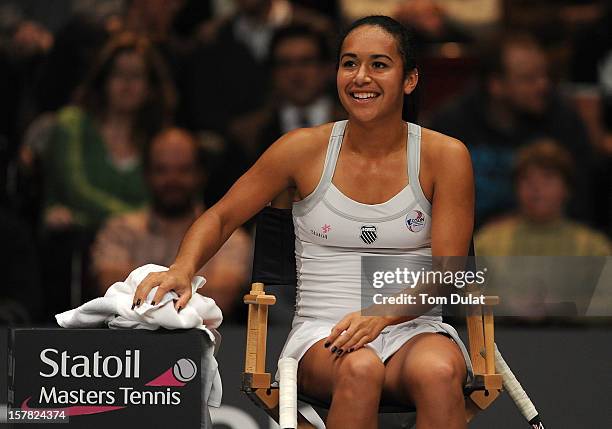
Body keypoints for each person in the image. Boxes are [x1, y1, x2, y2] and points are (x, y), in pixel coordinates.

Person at [133, 16, 474, 429]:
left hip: (412, 327)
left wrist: (380, 316)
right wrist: (183, 268)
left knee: (440, 373)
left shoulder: (446, 155)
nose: (360, 77)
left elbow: (449, 274)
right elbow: (222, 215)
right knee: (361, 368)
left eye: (379, 65)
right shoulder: (301, 149)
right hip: (322, 333)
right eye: (349, 64)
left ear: (410, 79)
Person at [430, 31, 593, 227]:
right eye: (529, 79)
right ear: (496, 85)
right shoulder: (451, 125)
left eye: (544, 75)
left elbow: (583, 197)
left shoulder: (563, 121)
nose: (543, 85)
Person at [91, 128, 252, 318]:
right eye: (162, 170)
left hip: (205, 343)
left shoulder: (228, 236)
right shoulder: (119, 230)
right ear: (146, 175)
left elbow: (221, 299)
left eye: (183, 170)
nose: (172, 180)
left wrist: (149, 299)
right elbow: (113, 293)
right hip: (129, 342)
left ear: (201, 174)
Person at [42, 32, 176, 231]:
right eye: (118, 73)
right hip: (73, 239)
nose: (127, 84)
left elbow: (168, 198)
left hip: (140, 247)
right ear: (103, 80)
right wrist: (135, 221)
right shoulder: (72, 123)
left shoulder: (159, 140)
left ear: (150, 88)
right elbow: (75, 190)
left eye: (136, 75)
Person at [476, 139, 611, 256]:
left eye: (548, 178)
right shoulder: (486, 244)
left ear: (567, 188)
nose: (536, 188)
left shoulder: (593, 248)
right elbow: (469, 284)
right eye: (526, 179)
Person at [230, 24, 345, 161]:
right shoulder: (249, 134)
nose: (296, 74)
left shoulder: (354, 123)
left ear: (328, 69)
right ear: (272, 73)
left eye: (306, 62)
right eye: (285, 64)